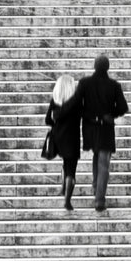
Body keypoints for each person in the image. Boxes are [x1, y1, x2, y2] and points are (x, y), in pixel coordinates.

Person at [74, 54, 129, 212]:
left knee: (97, 155)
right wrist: (111, 114)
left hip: (90, 127)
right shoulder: (114, 85)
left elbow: (77, 104)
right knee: (103, 161)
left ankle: (95, 187)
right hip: (105, 127)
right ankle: (99, 199)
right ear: (108, 67)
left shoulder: (85, 83)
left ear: (95, 66)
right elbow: (123, 107)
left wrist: (88, 115)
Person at [44, 73, 82, 211]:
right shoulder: (77, 101)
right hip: (72, 138)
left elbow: (48, 120)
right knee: (71, 169)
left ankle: (62, 188)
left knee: (65, 163)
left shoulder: (55, 100)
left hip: (58, 137)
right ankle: (67, 201)